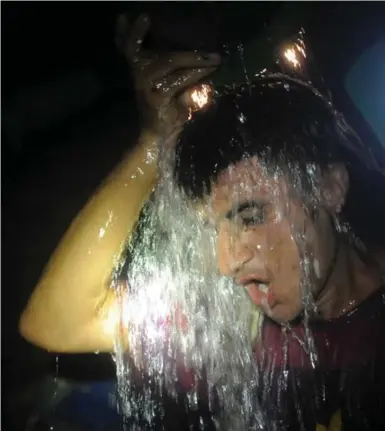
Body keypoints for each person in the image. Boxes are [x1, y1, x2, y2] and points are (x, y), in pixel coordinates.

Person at [20, 15, 385, 430]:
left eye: (250, 215)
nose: (226, 264)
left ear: (331, 188)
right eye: (214, 230)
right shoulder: (233, 321)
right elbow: (56, 324)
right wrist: (149, 148)